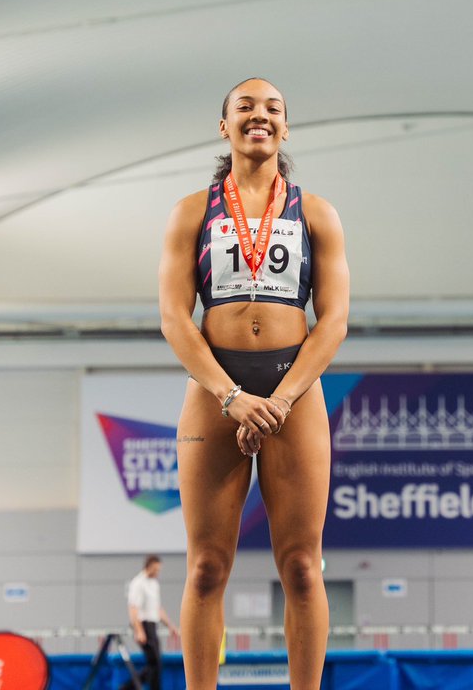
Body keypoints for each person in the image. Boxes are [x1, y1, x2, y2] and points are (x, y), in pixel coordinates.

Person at [159, 77, 349, 689]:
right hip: (217, 389)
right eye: (245, 107)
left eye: (273, 108)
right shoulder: (193, 211)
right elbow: (173, 318)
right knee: (207, 568)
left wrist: (281, 399)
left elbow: (335, 320)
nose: (259, 116)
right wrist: (232, 397)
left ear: (285, 128)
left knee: (301, 567)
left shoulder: (316, 212)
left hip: (294, 390)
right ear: (225, 126)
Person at [124, 555, 179, 690]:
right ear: (148, 567)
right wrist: (139, 631)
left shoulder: (154, 584)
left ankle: (127, 688)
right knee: (155, 662)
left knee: (155, 664)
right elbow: (133, 609)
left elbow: (157, 609)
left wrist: (171, 626)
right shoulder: (138, 583)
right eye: (155, 569)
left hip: (152, 626)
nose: (157, 573)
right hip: (143, 625)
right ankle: (128, 688)